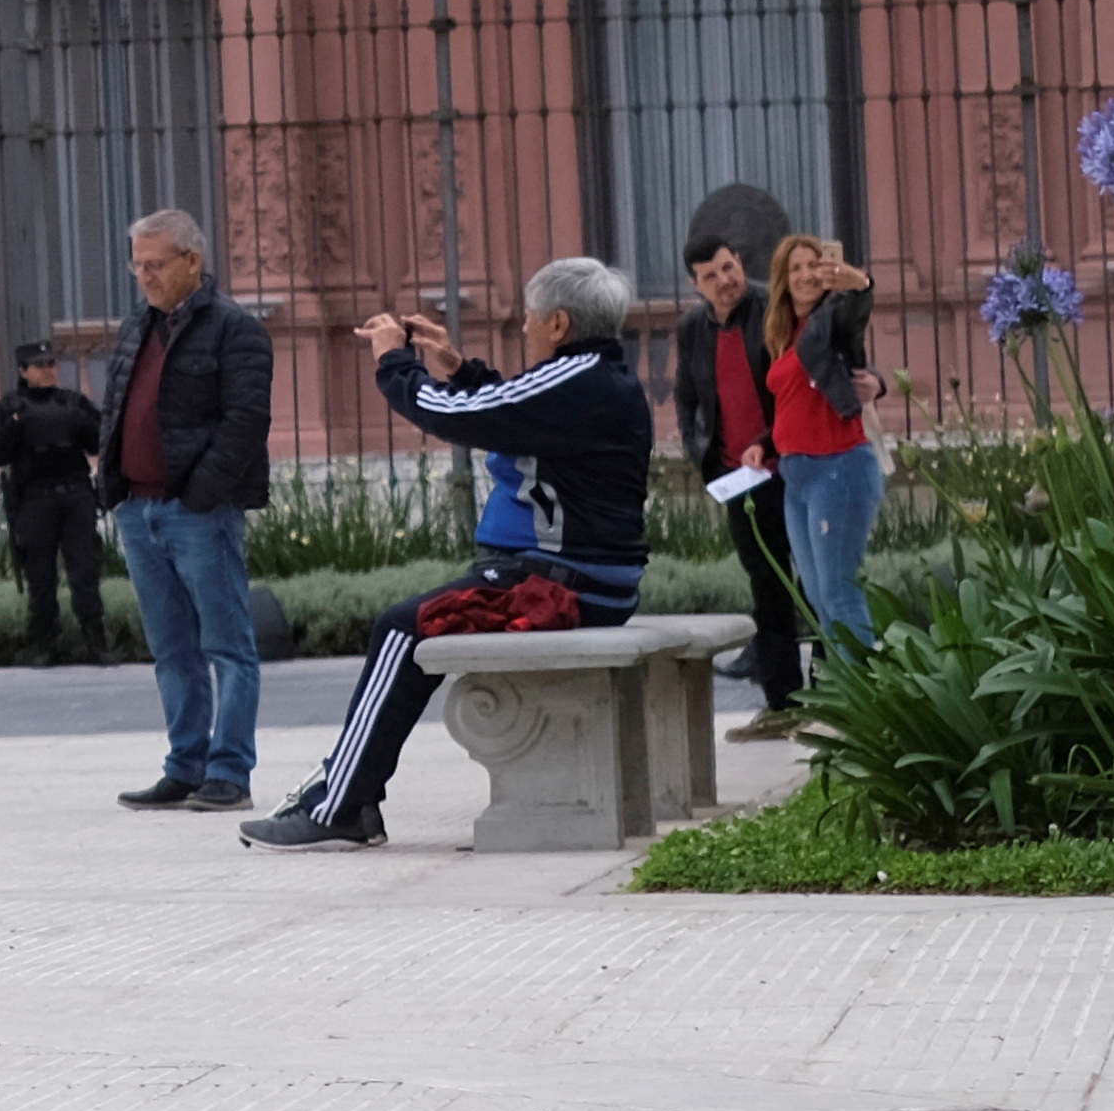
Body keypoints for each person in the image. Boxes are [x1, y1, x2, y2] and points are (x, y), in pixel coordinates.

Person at [241, 259, 655, 849]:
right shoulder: (595, 376)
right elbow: (510, 405)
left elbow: (450, 417)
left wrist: (393, 361)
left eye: (532, 319)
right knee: (417, 620)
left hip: (561, 585)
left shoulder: (574, 380)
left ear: (560, 322)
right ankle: (344, 796)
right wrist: (459, 367)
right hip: (580, 577)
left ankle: (341, 808)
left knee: (402, 629)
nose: (525, 329)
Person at [99, 207, 274, 812]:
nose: (143, 275)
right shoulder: (137, 328)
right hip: (138, 510)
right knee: (172, 649)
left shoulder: (234, 329)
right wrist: (114, 485)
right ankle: (185, 764)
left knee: (227, 646)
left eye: (155, 264)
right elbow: (118, 408)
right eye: (137, 265)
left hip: (197, 512)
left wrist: (200, 493)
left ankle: (229, 772)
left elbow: (246, 421)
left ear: (192, 261)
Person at [668, 238, 814, 727]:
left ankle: (837, 693)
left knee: (816, 582)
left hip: (791, 463)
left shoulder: (774, 308)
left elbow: (797, 385)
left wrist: (769, 441)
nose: (724, 281)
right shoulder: (691, 328)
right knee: (766, 588)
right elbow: (686, 399)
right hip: (739, 479)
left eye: (728, 268)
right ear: (695, 284)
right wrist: (700, 451)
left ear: (740, 263)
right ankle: (783, 705)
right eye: (710, 276)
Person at [760, 233, 882, 659]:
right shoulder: (784, 334)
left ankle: (869, 705)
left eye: (814, 265)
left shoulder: (831, 319)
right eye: (795, 268)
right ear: (783, 280)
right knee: (818, 598)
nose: (806, 275)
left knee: (839, 593)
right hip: (797, 476)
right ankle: (846, 700)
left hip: (838, 468)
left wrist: (859, 284)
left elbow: (854, 321)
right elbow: (790, 405)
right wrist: (764, 445)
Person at [0, 338, 110, 661]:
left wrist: (81, 424)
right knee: (40, 576)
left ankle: (96, 642)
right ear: (24, 371)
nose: (48, 371)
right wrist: (15, 428)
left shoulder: (74, 403)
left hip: (75, 495)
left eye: (52, 364)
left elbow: (98, 444)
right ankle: (44, 644)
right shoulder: (9, 408)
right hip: (35, 500)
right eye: (40, 366)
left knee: (85, 570)